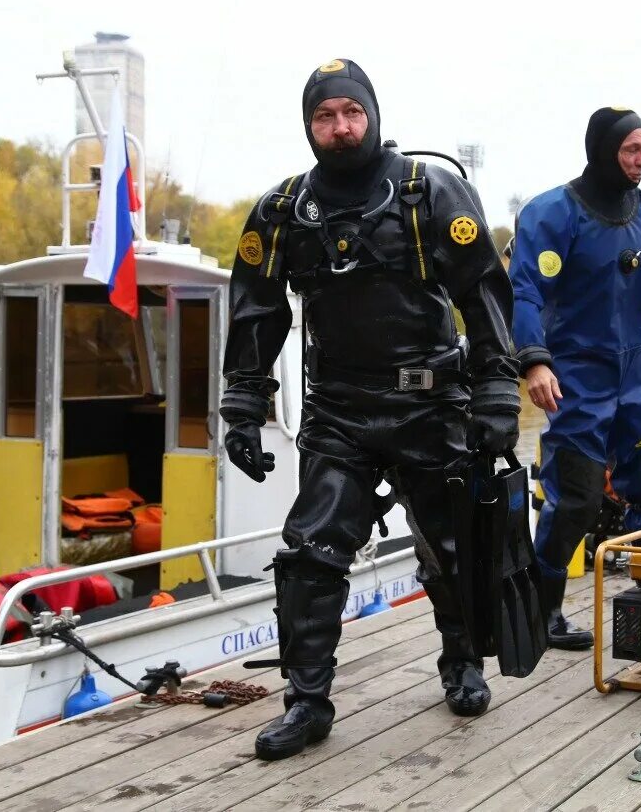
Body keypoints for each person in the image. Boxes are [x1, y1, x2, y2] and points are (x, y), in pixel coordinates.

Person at [220, 59, 520, 761]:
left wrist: (497, 389)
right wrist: (242, 405)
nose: (340, 127)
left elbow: (484, 295)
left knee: (453, 548)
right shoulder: (282, 211)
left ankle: (463, 660)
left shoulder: (429, 191)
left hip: (431, 403)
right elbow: (256, 312)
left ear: (372, 115)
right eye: (325, 116)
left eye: (350, 112)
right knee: (309, 553)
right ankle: (307, 701)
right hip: (339, 411)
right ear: (309, 126)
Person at [508, 107, 641, 650]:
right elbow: (523, 290)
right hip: (576, 378)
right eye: (631, 151)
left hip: (635, 380)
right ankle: (542, 613)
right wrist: (533, 359)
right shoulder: (553, 214)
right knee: (574, 499)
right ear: (604, 150)